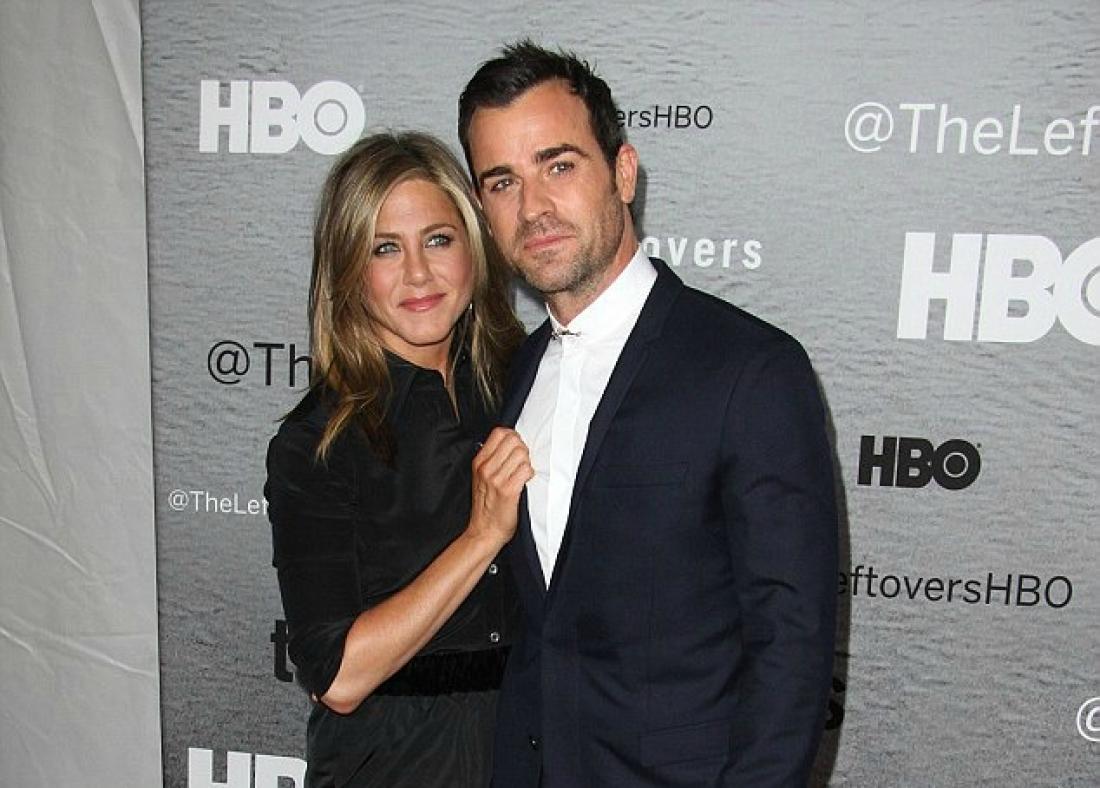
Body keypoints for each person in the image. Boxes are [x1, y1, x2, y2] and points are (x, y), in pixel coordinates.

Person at [457, 42, 839, 787]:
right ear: (483, 209)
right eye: (503, 182)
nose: (533, 208)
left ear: (623, 173)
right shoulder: (517, 372)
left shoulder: (749, 371)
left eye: (558, 166)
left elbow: (790, 651)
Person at [264, 131, 533, 788]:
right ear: (348, 269)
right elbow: (338, 677)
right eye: (385, 248)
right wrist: (481, 537)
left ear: (474, 246)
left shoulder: (528, 386)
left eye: (437, 239)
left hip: (530, 753)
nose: (418, 273)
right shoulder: (319, 443)